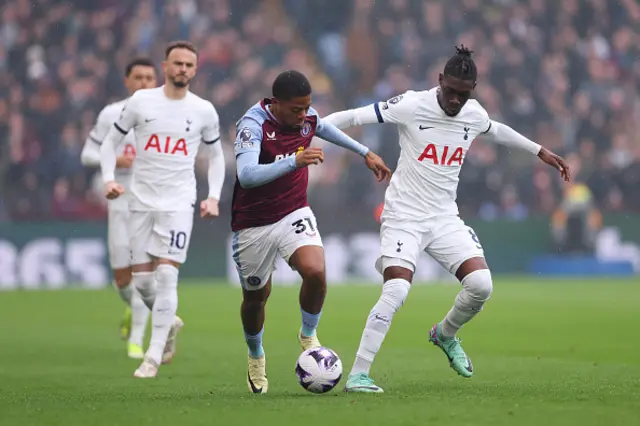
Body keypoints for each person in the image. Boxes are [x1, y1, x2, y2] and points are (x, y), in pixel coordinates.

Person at [324, 45, 571, 393]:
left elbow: (496, 129)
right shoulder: (411, 105)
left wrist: (540, 151)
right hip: (404, 216)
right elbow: (352, 116)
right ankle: (358, 375)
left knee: (482, 286)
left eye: (463, 94)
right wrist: (312, 129)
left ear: (473, 91)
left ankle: (445, 334)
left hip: (443, 217)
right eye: (451, 91)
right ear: (439, 80)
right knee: (396, 290)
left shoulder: (473, 113)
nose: (455, 100)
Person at [232, 70, 391, 394]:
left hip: (293, 211)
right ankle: (255, 354)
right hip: (253, 223)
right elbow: (246, 175)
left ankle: (308, 334)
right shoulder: (252, 126)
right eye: (296, 109)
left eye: (307, 108)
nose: (304, 115)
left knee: (316, 272)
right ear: (275, 104)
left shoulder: (307, 117)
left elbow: (325, 127)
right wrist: (294, 161)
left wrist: (365, 153)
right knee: (255, 299)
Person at [100, 41, 226, 378]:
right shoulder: (142, 102)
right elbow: (110, 142)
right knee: (142, 282)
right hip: (140, 201)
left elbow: (215, 157)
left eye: (189, 65)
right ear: (165, 66)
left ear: (195, 70)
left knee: (167, 274)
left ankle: (152, 357)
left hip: (179, 202)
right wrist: (109, 178)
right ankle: (169, 322)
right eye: (177, 63)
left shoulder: (204, 110)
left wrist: (213, 195)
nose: (183, 69)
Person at [80, 58, 156, 359]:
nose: (143, 83)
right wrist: (113, 160)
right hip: (120, 201)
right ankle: (132, 309)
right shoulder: (111, 114)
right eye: (137, 77)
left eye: (149, 78)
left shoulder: (166, 115)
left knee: (144, 274)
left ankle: (136, 340)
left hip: (152, 202)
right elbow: (88, 154)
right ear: (127, 81)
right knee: (123, 280)